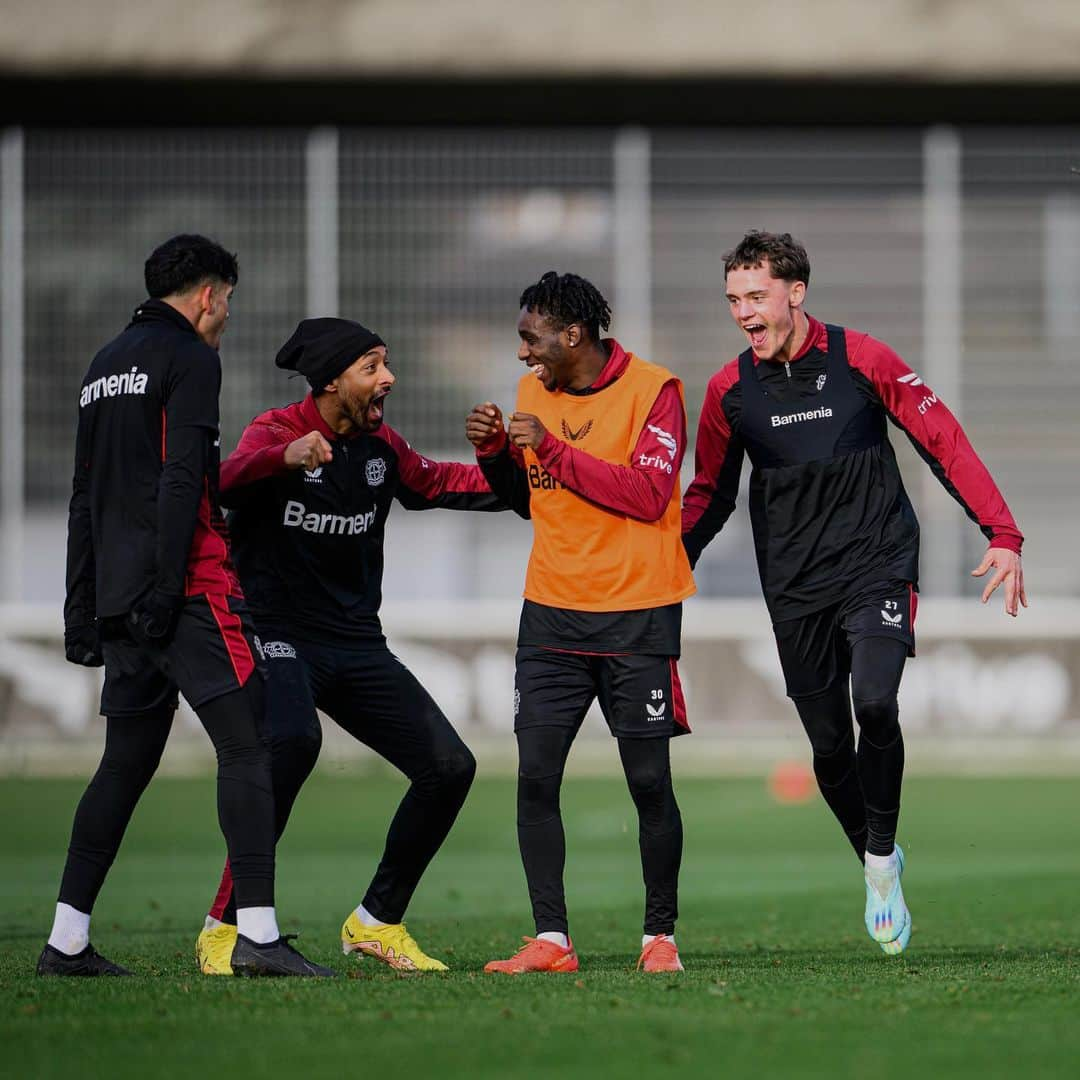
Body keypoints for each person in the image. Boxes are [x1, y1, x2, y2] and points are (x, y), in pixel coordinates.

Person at [683, 230, 1025, 955]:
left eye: (756, 296)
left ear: (795, 293)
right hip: (794, 583)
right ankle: (879, 859)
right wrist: (661, 566)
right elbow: (708, 495)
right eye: (734, 300)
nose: (744, 311)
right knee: (830, 748)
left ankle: (879, 854)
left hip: (877, 562)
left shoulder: (863, 359)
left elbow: (942, 439)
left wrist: (1001, 532)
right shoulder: (727, 392)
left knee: (874, 700)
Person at [42, 234, 331, 978]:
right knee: (251, 743)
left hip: (117, 592)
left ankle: (66, 941)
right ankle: (257, 937)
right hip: (187, 589)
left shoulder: (103, 365)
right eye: (227, 300)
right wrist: (169, 591)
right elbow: (181, 481)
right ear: (207, 294)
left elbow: (86, 495)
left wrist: (84, 607)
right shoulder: (192, 359)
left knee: (124, 765)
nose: (227, 315)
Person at [194, 316, 504, 976]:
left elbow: (442, 482)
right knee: (292, 744)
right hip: (277, 636)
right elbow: (219, 483)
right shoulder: (275, 433)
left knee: (450, 766)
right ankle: (224, 927)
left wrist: (527, 479)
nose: (388, 377)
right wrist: (284, 458)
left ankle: (376, 921)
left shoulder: (380, 447)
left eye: (386, 363)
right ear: (332, 380)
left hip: (358, 645)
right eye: (372, 366)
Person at [466, 271, 696, 975]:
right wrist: (495, 454)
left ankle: (660, 937)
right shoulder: (534, 393)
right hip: (551, 618)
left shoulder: (655, 390)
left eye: (530, 339)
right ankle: (552, 941)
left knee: (648, 783)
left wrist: (557, 451)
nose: (522, 355)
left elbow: (651, 492)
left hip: (637, 617)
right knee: (535, 778)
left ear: (573, 334)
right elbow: (527, 499)